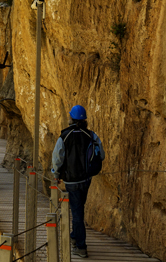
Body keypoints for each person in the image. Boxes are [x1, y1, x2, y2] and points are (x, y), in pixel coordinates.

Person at [50, 105, 104, 258]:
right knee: (79, 209)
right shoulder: (91, 135)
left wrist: (56, 174)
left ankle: (81, 246)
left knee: (77, 212)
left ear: (71, 119)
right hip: (86, 179)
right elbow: (102, 154)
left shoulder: (65, 136)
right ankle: (74, 236)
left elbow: (57, 158)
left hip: (71, 181)